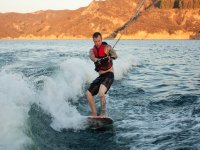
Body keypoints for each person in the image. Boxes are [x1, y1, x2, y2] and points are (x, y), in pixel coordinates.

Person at [86, 32, 118, 116]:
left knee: (101, 93)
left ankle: (103, 113)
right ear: (93, 41)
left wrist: (110, 56)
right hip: (101, 76)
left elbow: (115, 55)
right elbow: (92, 57)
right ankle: (94, 114)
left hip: (109, 74)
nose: (97, 43)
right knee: (88, 94)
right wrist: (97, 60)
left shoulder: (107, 47)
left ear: (101, 39)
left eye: (99, 41)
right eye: (95, 41)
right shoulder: (92, 51)